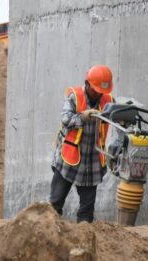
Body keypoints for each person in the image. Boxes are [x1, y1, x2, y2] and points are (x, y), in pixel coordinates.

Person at [50, 65, 114, 223]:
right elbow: (65, 119)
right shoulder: (75, 97)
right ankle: (50, 235)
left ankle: (83, 242)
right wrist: (83, 117)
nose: (99, 93)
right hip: (69, 157)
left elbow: (118, 118)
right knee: (55, 204)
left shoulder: (108, 101)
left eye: (101, 91)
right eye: (95, 90)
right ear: (87, 84)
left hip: (92, 162)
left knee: (86, 212)